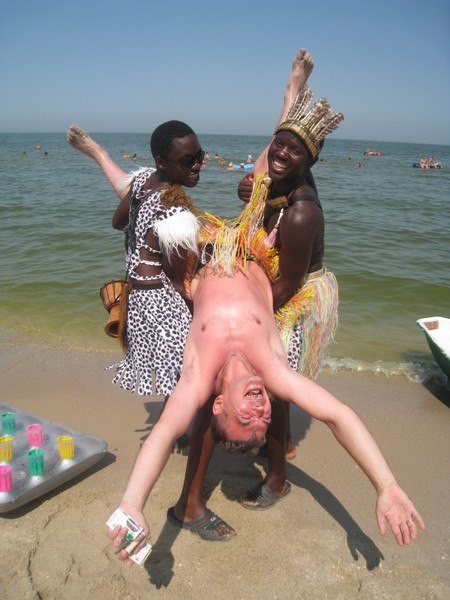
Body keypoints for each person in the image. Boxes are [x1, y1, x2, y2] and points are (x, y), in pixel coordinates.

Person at [108, 258, 425, 565]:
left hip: (206, 255)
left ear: (219, 404)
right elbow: (338, 415)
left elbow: (165, 432)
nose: (260, 409)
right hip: (255, 253)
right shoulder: (274, 371)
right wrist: (386, 485)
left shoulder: (198, 376)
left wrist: (132, 503)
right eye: (264, 418)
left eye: (247, 417)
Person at [170, 49, 340, 539]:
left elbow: (286, 285)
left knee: (273, 383)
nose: (280, 155)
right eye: (278, 147)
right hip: (267, 279)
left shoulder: (302, 212)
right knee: (253, 380)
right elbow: (280, 145)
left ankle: (277, 475)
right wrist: (293, 92)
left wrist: (241, 315)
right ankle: (272, 446)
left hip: (290, 293)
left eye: (293, 152)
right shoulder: (280, 174)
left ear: (309, 162)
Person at [67, 121, 204, 397]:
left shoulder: (143, 182)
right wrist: (199, 310)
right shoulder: (176, 214)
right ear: (161, 162)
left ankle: (178, 422)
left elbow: (118, 222)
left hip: (138, 299)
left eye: (200, 156)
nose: (197, 165)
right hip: (161, 304)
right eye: (188, 160)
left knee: (172, 379)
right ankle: (181, 424)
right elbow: (179, 282)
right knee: (186, 379)